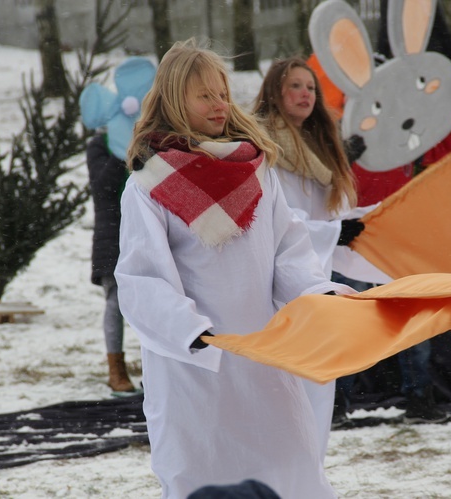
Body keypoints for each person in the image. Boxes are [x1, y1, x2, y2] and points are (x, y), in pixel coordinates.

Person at [115, 39, 353, 499]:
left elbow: (288, 252)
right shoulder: (149, 184)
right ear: (174, 99)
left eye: (222, 93)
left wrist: (316, 295)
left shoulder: (257, 171)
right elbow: (141, 277)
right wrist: (191, 332)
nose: (219, 104)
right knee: (202, 475)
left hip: (264, 357)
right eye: (204, 95)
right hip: (194, 365)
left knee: (291, 469)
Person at [253, 58, 451, 426]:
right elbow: (273, 217)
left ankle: (345, 407)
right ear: (275, 92)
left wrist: (373, 219)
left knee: (337, 342)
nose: (305, 94)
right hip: (285, 272)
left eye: (311, 87)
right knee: (301, 358)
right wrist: (331, 232)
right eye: (295, 86)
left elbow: (335, 209)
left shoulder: (321, 145)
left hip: (321, 265)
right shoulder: (263, 149)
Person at [86, 134, 135, 393]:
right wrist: (120, 149)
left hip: (144, 235)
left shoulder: (151, 139)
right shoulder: (100, 145)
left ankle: (155, 368)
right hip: (112, 239)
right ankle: (116, 370)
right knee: (116, 303)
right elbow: (102, 187)